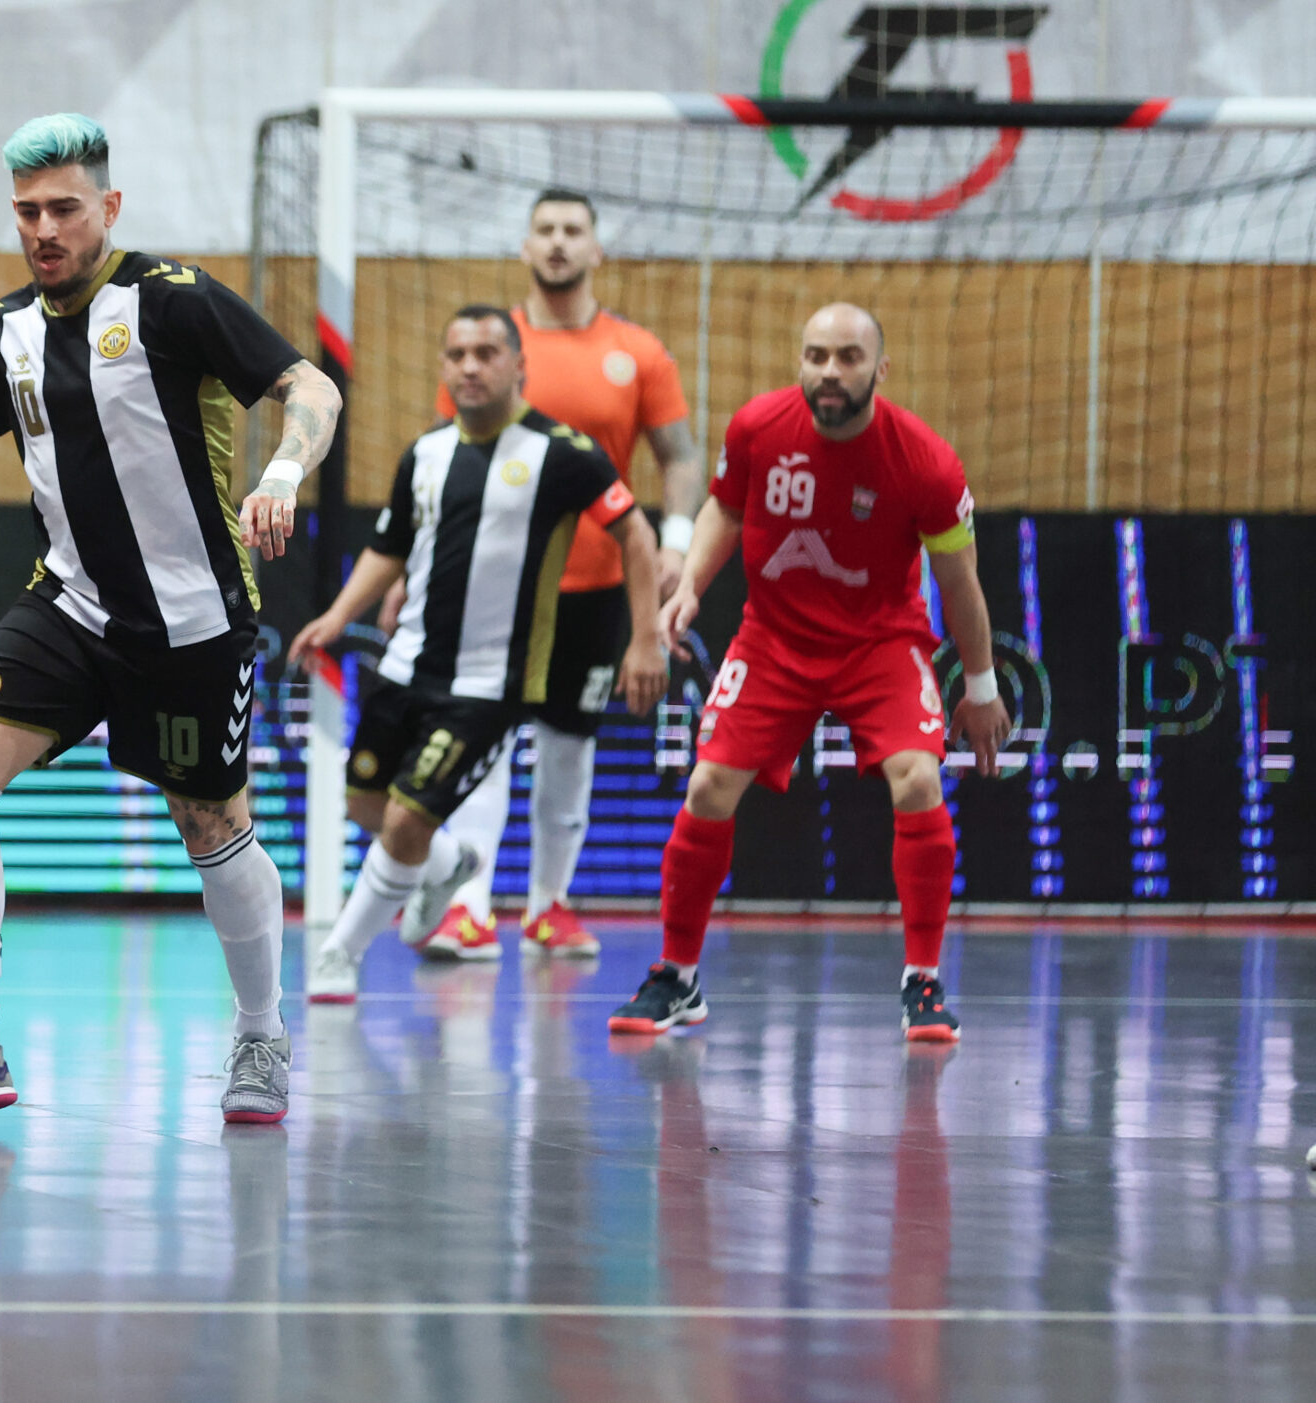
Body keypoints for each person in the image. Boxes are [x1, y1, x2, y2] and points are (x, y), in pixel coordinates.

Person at [0, 113, 342, 1126]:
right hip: (72, 603)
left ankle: (261, 1034)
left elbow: (308, 386)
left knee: (210, 825)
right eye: (27, 213)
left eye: (64, 209)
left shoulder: (171, 302)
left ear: (108, 208)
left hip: (192, 623)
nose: (44, 228)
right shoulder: (0, 332)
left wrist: (280, 470)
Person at [610, 303, 1010, 1042]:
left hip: (881, 644)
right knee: (707, 784)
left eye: (849, 357)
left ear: (879, 371)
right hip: (774, 640)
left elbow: (959, 584)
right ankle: (677, 976)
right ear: (800, 362)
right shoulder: (758, 426)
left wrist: (979, 687)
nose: (831, 371)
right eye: (817, 355)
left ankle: (922, 981)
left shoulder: (925, 459)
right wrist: (694, 583)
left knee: (918, 779)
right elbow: (725, 511)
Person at [289, 308, 667, 1005]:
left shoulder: (564, 452)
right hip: (406, 667)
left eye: (487, 352)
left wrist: (646, 638)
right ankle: (451, 865)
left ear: (518, 363)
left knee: (406, 821)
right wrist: (338, 617)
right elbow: (389, 547)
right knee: (366, 805)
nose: (470, 365)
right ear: (442, 367)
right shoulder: (425, 452)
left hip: (491, 685)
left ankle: (342, 952)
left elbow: (636, 538)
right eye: (457, 352)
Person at [397, 190, 704, 962]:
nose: (560, 243)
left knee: (570, 745)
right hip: (493, 592)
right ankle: (466, 908)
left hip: (599, 588)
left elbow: (681, 458)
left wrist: (674, 542)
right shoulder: (488, 349)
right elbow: (444, 462)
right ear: (525, 247)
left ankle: (550, 907)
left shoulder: (640, 351)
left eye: (574, 231)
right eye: (546, 230)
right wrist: (412, 563)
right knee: (481, 745)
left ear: (596, 249)